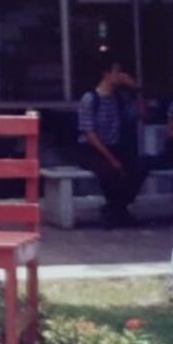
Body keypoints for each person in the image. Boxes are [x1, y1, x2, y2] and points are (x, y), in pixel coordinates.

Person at [75, 54, 145, 228]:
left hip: (116, 146)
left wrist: (136, 90)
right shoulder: (90, 99)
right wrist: (111, 158)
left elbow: (141, 114)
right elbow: (89, 132)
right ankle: (117, 211)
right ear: (106, 75)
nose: (120, 76)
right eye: (116, 72)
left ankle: (116, 208)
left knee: (139, 167)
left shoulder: (120, 98)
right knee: (109, 172)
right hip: (93, 149)